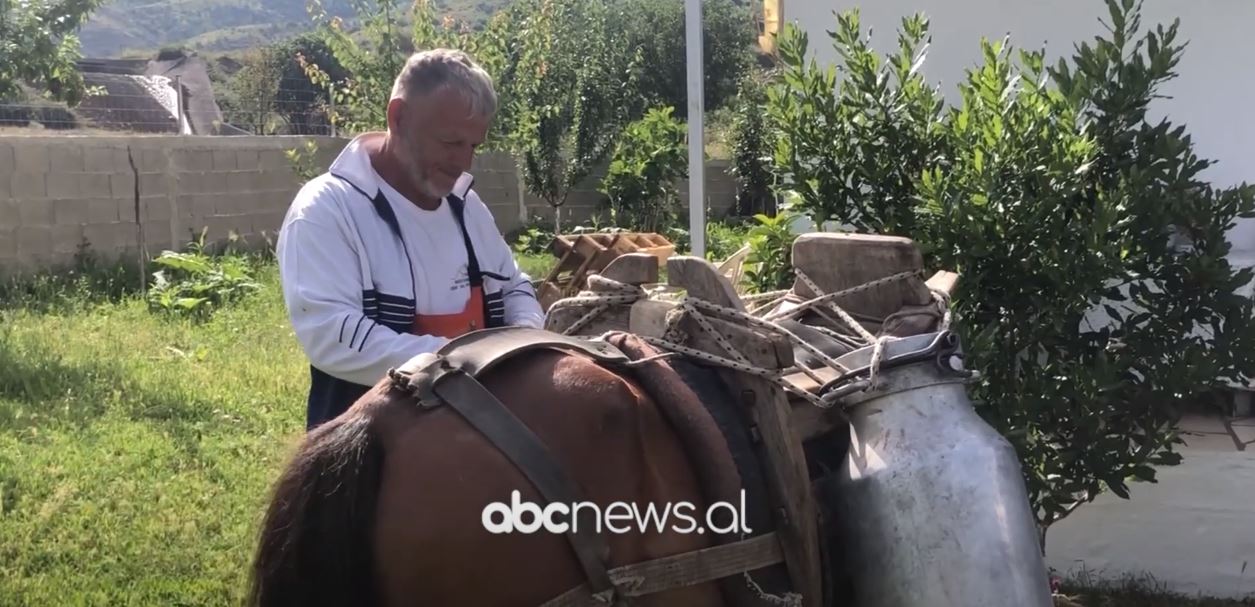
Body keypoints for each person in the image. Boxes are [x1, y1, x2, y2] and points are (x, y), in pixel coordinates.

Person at [276, 49, 545, 430]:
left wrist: (525, 341)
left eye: (474, 146)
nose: (464, 162)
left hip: (479, 439)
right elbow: (330, 335)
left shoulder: (466, 208)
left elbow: (515, 286)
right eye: (451, 142)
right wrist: (472, 361)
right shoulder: (329, 209)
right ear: (398, 117)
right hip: (367, 449)